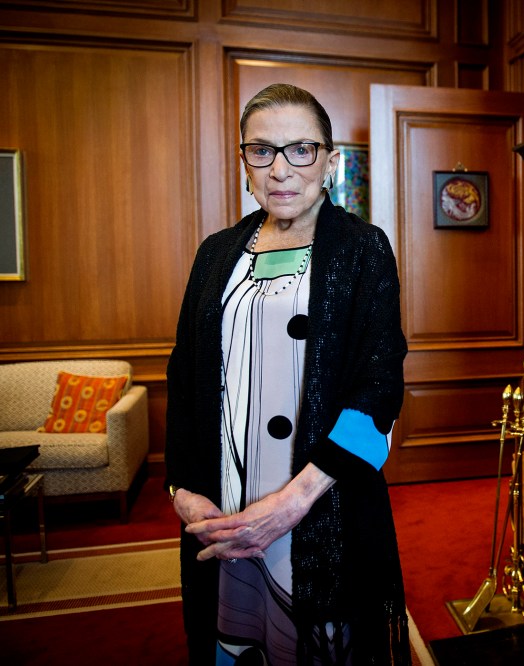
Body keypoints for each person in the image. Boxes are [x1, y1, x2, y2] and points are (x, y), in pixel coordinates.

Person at [165, 82, 409, 665]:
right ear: (243, 161)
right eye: (262, 150)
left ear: (329, 161)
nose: (281, 169)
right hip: (224, 502)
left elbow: (379, 388)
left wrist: (291, 505)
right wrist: (183, 490)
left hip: (321, 503)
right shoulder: (215, 252)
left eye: (301, 149)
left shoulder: (362, 248)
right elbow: (182, 377)